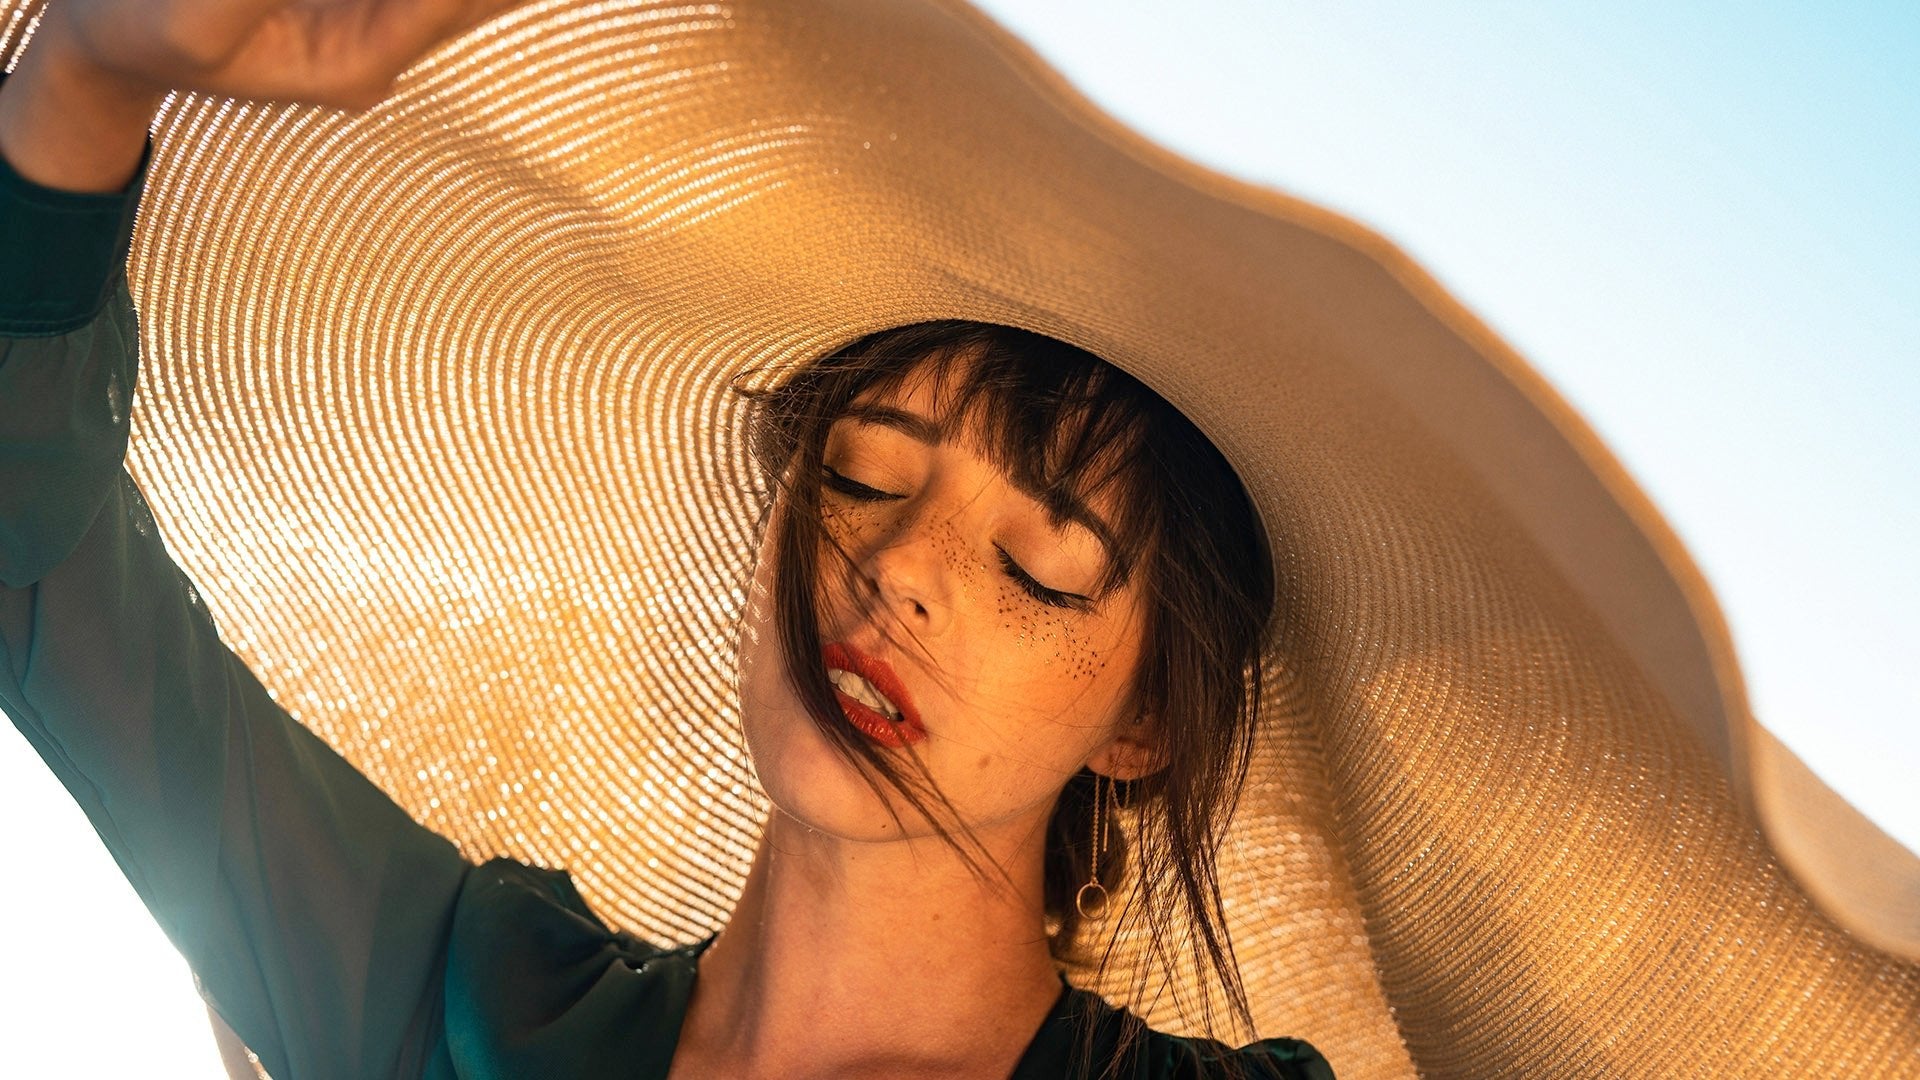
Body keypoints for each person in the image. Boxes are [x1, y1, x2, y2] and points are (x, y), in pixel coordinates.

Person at [0, 2, 1333, 1077]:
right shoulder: (474, 1004)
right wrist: (83, 77)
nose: (902, 566)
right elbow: (43, 580)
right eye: (863, 477)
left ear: (1146, 716)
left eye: (1035, 566)